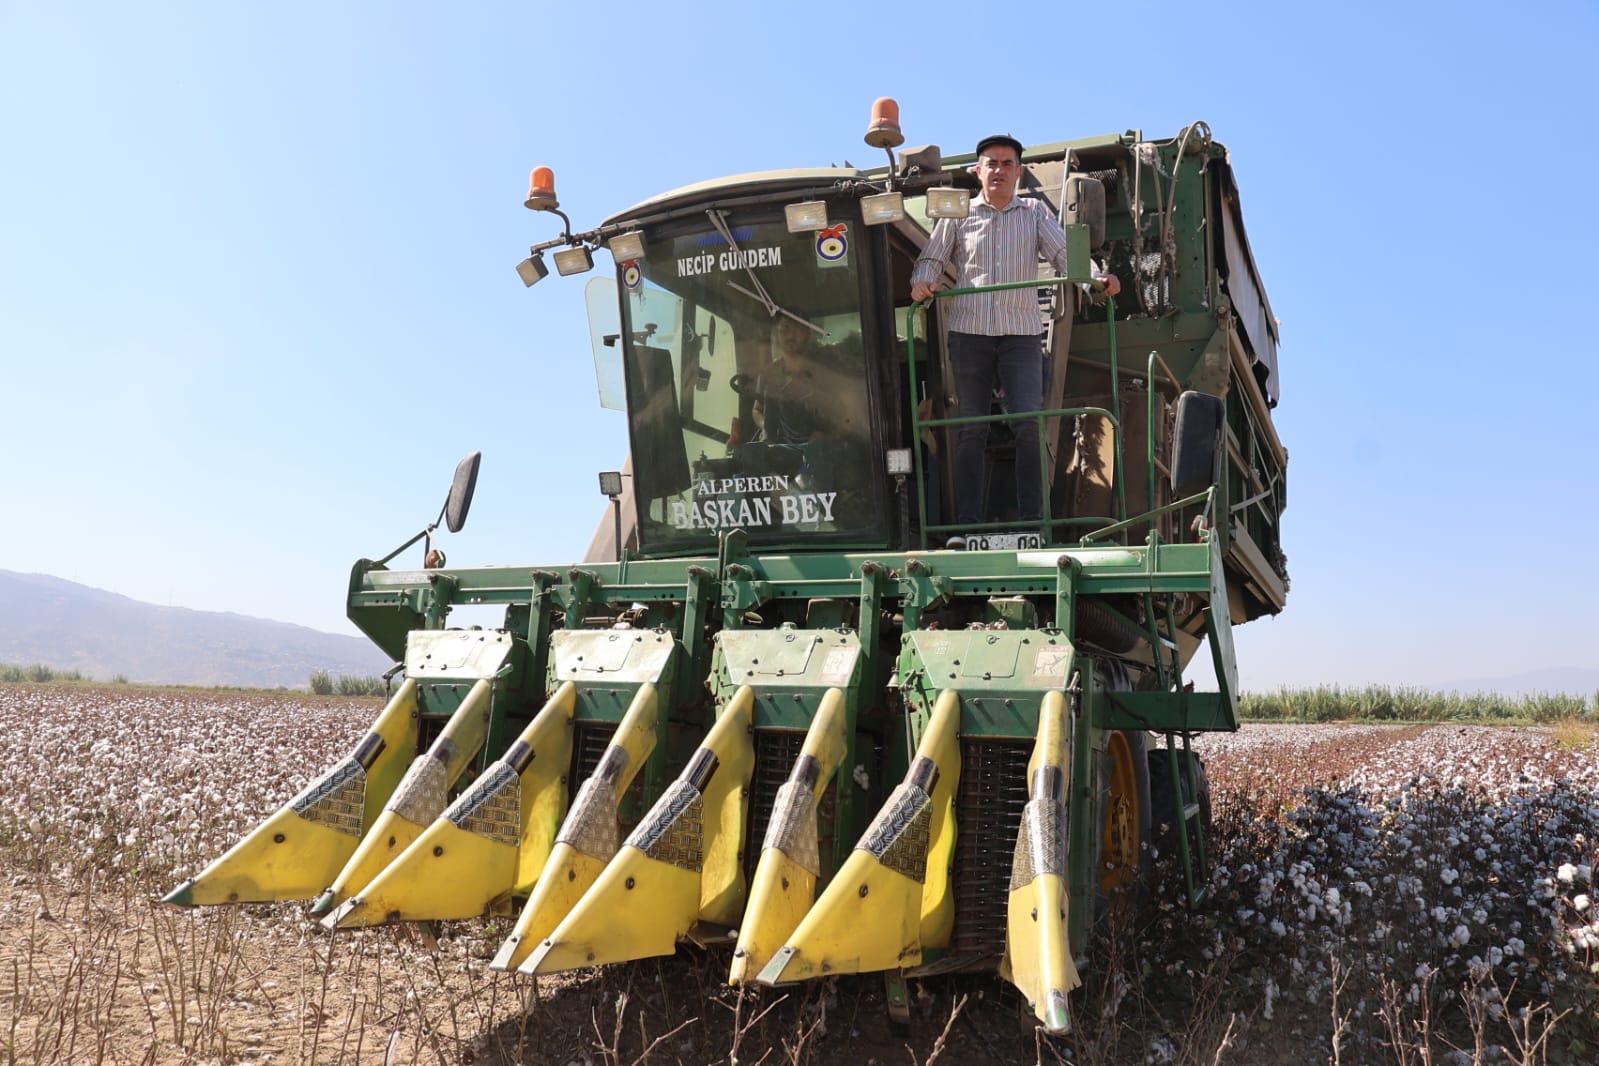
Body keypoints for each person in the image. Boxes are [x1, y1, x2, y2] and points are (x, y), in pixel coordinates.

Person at [910, 133, 1120, 541]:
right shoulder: (956, 216)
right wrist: (922, 283)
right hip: (970, 334)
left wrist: (1097, 279)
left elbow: (1065, 256)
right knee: (971, 428)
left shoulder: (1036, 215)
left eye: (1007, 164)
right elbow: (931, 260)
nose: (999, 171)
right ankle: (965, 527)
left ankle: (1032, 526)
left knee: (1029, 424)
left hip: (1021, 335)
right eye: (992, 163)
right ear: (978, 171)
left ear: (1019, 172)